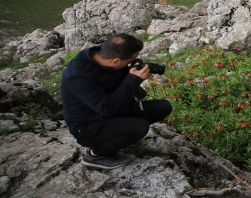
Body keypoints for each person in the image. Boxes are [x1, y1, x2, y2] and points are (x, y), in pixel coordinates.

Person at [61, 33, 172, 170]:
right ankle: (96, 155)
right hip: (88, 126)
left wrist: (137, 66)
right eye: (129, 61)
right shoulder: (78, 77)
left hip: (112, 112)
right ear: (115, 61)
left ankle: (119, 137)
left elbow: (118, 74)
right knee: (139, 127)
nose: (130, 63)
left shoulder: (103, 54)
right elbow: (107, 108)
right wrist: (133, 80)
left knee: (163, 107)